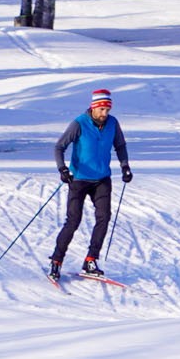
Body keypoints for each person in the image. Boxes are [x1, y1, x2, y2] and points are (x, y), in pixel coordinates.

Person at [50, 88, 132, 281]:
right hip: (79, 179)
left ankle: (90, 260)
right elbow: (59, 147)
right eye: (101, 109)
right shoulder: (79, 123)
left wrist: (125, 166)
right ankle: (56, 261)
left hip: (102, 179)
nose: (105, 114)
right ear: (94, 108)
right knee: (73, 221)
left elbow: (120, 145)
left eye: (107, 110)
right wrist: (63, 169)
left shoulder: (113, 123)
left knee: (104, 218)